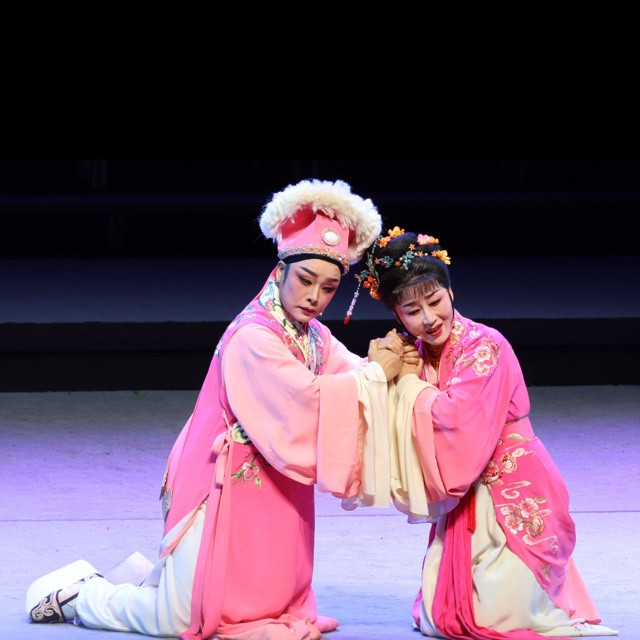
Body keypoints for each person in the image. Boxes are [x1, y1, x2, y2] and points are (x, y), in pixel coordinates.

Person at [26, 179, 407, 640]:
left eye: (328, 288)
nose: (315, 297)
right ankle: (83, 595)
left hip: (270, 487)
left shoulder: (312, 336)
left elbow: (352, 372)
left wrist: (400, 363)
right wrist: (375, 375)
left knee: (254, 602)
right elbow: (308, 399)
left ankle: (157, 580)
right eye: (305, 280)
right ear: (280, 271)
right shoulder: (254, 336)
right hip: (218, 485)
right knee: (179, 620)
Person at [345, 226, 618, 639]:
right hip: (467, 491)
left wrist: (406, 383)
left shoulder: (484, 346)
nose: (428, 318)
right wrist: (384, 372)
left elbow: (456, 420)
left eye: (435, 301)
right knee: (439, 617)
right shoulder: (411, 350)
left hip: (512, 479)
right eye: (412, 311)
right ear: (398, 315)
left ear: (451, 292)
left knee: (497, 613)